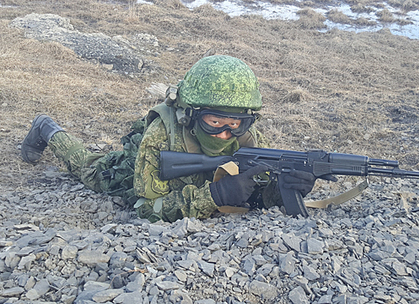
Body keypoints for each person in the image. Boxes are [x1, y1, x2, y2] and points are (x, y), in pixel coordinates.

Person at [20, 55, 317, 222]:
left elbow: (257, 195)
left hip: (185, 185)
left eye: (236, 123)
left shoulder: (251, 140)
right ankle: (46, 127)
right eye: (214, 122)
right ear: (191, 115)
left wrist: (284, 189)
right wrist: (214, 197)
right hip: (131, 170)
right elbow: (146, 208)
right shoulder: (161, 135)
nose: (227, 133)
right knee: (88, 167)